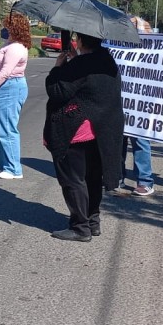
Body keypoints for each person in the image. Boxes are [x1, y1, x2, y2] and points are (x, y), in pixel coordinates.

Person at [44, 32, 124, 242]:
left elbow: (57, 90)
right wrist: (75, 61)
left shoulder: (81, 64)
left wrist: (58, 67)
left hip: (77, 130)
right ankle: (92, 221)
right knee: (92, 178)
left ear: (79, 41)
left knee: (73, 179)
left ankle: (80, 227)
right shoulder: (107, 60)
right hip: (103, 131)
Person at [0, 12, 30, 178]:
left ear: (14, 28)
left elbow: (5, 73)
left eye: (7, 26)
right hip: (2, 88)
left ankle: (13, 169)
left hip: (9, 88)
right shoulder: (9, 44)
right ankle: (0, 162)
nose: (4, 29)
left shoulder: (16, 48)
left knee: (7, 129)